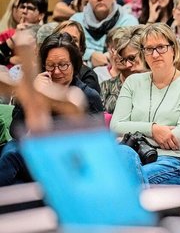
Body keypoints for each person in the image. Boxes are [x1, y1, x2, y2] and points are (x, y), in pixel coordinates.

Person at [0, 32, 104, 186]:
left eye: (63, 65)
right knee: (11, 151)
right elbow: (16, 131)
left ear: (74, 65)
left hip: (69, 157)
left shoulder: (88, 95)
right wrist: (33, 95)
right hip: (35, 154)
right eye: (50, 65)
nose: (56, 72)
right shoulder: (35, 87)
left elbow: (95, 143)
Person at [110, 23, 180, 185]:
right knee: (123, 155)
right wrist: (155, 130)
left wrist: (133, 132)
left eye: (161, 47)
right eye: (149, 49)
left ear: (173, 49)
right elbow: (116, 126)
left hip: (173, 162)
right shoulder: (133, 82)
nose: (155, 54)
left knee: (122, 183)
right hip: (134, 156)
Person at [70, 0, 139, 68]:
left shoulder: (129, 21)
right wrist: (91, 55)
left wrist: (107, 57)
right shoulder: (76, 21)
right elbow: (68, 47)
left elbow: (132, 51)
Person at [100, 26, 145, 114]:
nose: (116, 55)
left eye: (120, 50)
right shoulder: (105, 86)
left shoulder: (153, 83)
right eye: (114, 49)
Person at [52, 20, 102, 93]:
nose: (68, 43)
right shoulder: (42, 69)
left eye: (74, 40)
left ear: (80, 48)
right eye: (63, 37)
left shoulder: (88, 76)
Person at [0, 0, 47, 67]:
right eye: (22, 7)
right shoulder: (7, 34)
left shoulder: (47, 34)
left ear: (41, 15)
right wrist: (14, 38)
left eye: (30, 8)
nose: (24, 11)